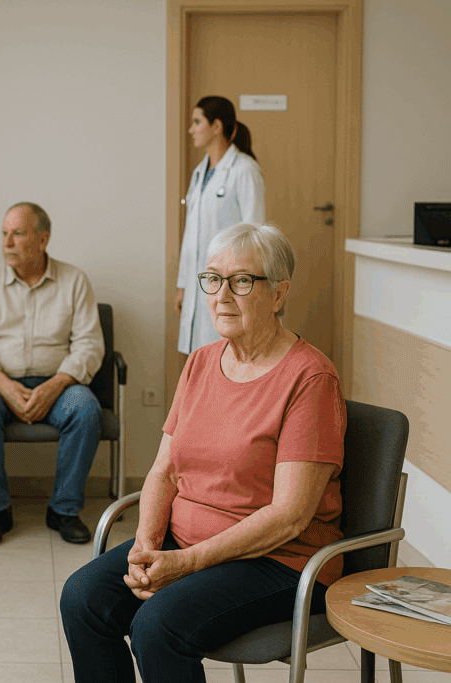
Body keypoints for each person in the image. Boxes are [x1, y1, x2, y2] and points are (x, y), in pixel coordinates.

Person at [61, 223, 346, 683]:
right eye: (212, 279)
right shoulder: (200, 362)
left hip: (278, 561)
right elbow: (165, 470)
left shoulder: (309, 379)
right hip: (184, 545)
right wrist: (146, 546)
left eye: (241, 281)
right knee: (82, 598)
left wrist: (186, 564)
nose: (221, 295)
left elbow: (290, 516)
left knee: (157, 626)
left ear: (278, 294)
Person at [0, 202, 104, 547]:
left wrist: (55, 385)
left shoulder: (74, 281)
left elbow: (89, 345)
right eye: (5, 233)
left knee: (86, 409)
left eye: (18, 233)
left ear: (43, 239)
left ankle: (64, 509)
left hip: (58, 382)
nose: (7, 242)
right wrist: (4, 384)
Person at [176, 95, 265, 355]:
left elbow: (255, 232)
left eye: (197, 122)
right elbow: (190, 235)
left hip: (229, 281)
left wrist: (245, 285)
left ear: (216, 126)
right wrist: (183, 284)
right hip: (198, 281)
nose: (191, 129)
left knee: (224, 351)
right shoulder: (199, 173)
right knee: (200, 354)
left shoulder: (245, 170)